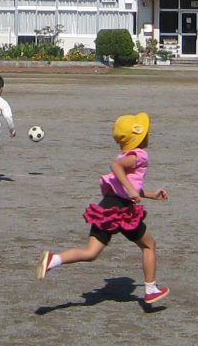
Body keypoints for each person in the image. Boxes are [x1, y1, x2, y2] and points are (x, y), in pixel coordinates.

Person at [35, 112, 170, 305]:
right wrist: (132, 190)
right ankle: (151, 290)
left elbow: (126, 186)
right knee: (149, 245)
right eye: (146, 133)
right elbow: (115, 167)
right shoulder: (139, 156)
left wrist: (150, 194)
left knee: (91, 253)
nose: (149, 135)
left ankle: (53, 260)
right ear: (139, 138)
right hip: (122, 210)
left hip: (107, 206)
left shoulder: (126, 154)